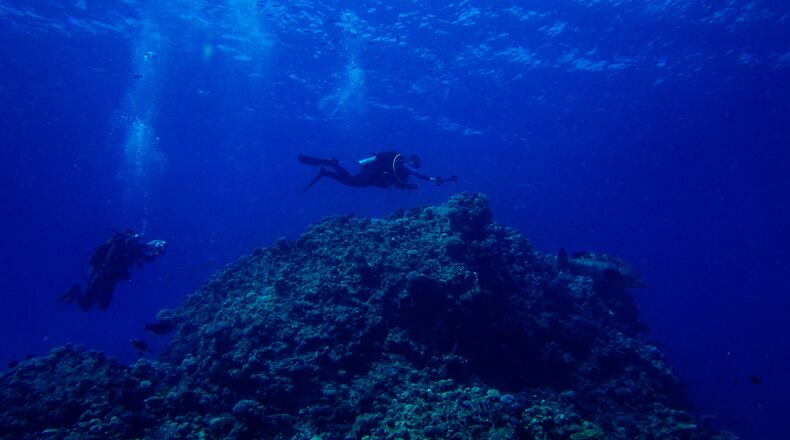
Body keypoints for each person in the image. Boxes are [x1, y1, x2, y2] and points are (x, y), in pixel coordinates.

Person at [59, 230, 167, 311]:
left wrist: (157, 252)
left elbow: (146, 258)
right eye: (135, 238)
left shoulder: (134, 249)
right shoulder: (119, 244)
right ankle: (76, 290)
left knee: (103, 306)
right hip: (101, 275)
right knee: (85, 306)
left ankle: (90, 295)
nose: (136, 241)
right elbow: (141, 255)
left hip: (111, 279)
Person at [298, 151, 458, 193]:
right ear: (414, 161)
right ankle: (331, 165)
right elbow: (418, 174)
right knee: (350, 181)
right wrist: (432, 179)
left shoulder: (403, 172)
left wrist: (411, 187)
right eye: (416, 164)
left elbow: (398, 186)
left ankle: (326, 171)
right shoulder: (404, 164)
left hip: (373, 180)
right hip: (371, 177)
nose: (415, 166)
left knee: (349, 181)